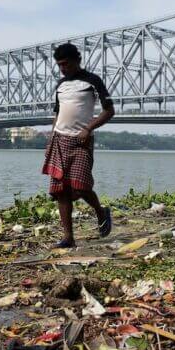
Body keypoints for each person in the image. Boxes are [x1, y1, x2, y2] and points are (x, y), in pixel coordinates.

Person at [42, 43, 115, 248]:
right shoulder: (60, 85)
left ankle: (101, 212)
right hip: (59, 139)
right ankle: (68, 238)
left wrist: (88, 129)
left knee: (81, 186)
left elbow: (109, 111)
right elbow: (58, 112)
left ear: (77, 60)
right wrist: (52, 134)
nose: (62, 68)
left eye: (65, 63)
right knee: (61, 191)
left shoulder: (93, 81)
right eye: (59, 65)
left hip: (82, 140)